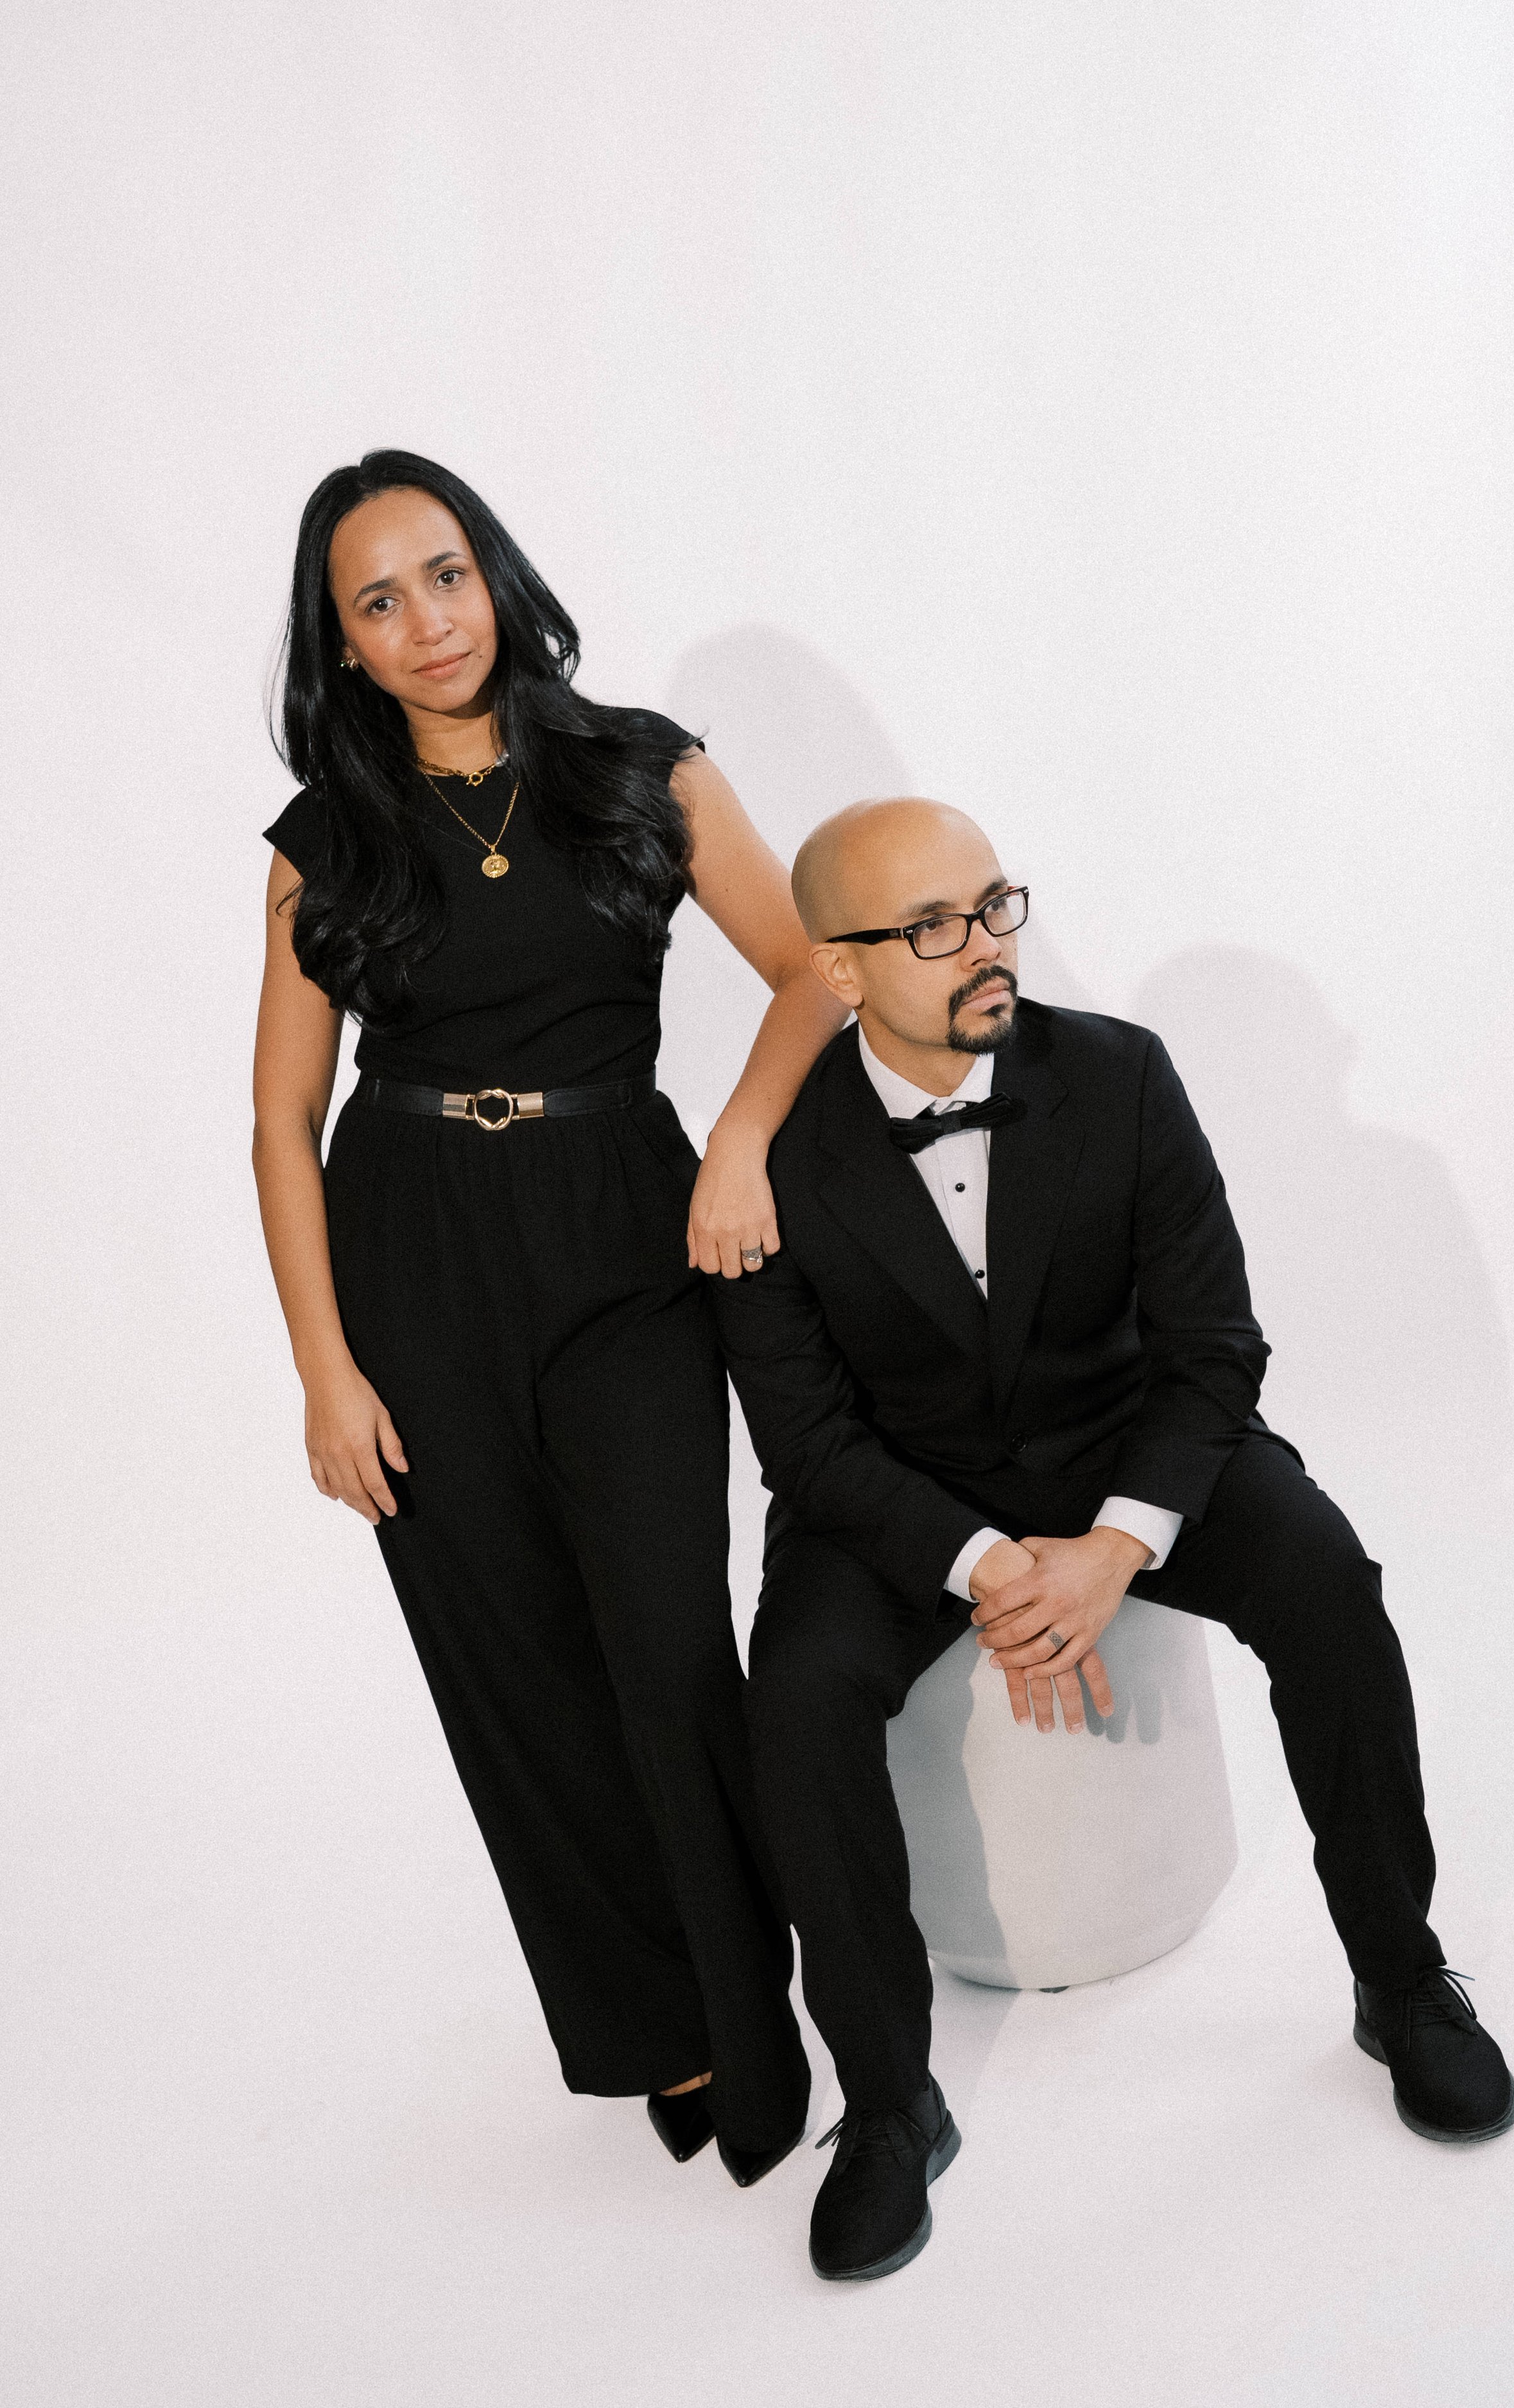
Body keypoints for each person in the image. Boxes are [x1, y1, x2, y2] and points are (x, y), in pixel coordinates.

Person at [713, 796, 1514, 2284]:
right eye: (934, 927)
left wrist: (1111, 1545)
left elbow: (1214, 1346)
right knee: (797, 1701)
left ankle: (1399, 1981)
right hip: (890, 1499)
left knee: (1327, 1581)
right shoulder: (765, 1162)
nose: (984, 948)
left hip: (1127, 1456)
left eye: (995, 904)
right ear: (836, 972)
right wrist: (985, 1565)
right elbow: (807, 1445)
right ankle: (892, 2104)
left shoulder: (1119, 1075)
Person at [251, 449, 844, 2181]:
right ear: (342, 643)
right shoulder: (321, 844)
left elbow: (814, 964)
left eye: (445, 573)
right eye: (377, 600)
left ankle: (761, 2008)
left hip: (622, 1225)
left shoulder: (635, 768)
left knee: (665, 1641)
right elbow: (282, 1118)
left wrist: (736, 1136)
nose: (425, 621)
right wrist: (321, 1366)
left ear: (494, 571)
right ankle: (653, 2022)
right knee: (516, 1662)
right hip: (410, 1246)